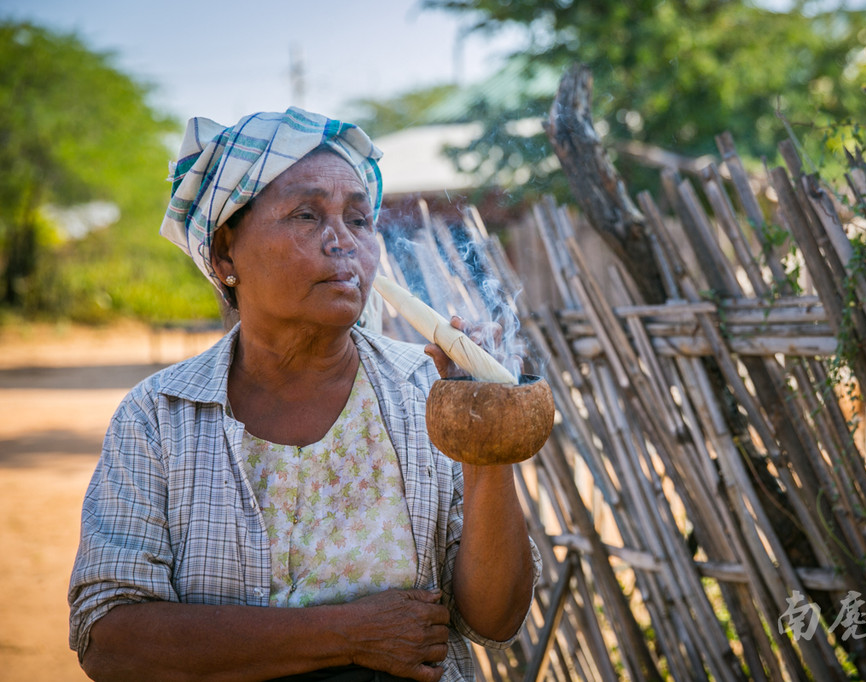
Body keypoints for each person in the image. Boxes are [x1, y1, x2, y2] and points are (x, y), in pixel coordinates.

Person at [68, 107, 540, 682]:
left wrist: (483, 453)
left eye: (360, 220)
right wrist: (349, 635)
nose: (342, 241)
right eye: (306, 215)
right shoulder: (159, 416)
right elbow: (111, 641)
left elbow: (495, 620)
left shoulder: (427, 394)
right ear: (224, 255)